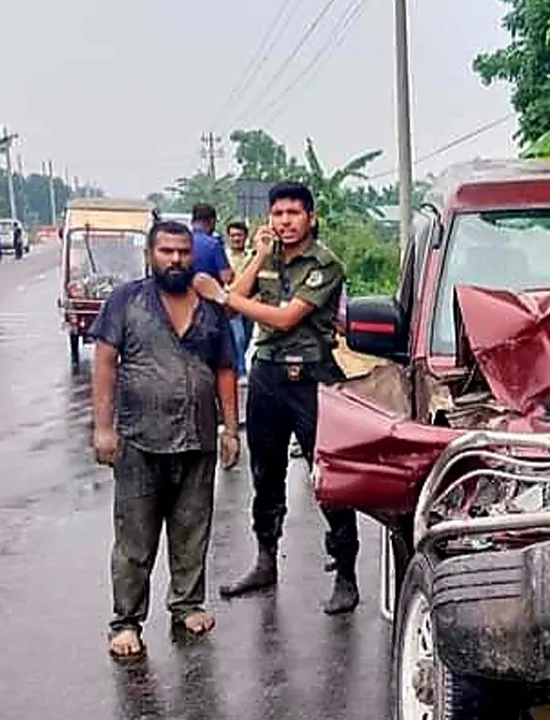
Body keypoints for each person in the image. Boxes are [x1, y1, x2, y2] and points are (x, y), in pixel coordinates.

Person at [191, 181, 360, 615]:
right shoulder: (266, 258)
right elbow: (233, 309)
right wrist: (260, 256)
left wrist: (226, 296)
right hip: (267, 374)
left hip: (310, 376)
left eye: (293, 213)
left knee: (329, 476)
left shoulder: (325, 264)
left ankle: (346, 573)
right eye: (278, 214)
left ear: (311, 217)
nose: (285, 222)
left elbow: (285, 319)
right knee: (266, 473)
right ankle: (266, 560)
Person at [91, 220, 241, 659]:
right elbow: (105, 362)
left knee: (192, 530)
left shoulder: (210, 308)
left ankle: (187, 605)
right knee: (135, 537)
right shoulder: (126, 301)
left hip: (197, 438)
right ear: (150, 255)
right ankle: (126, 622)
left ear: (192, 255)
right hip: (139, 438)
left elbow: (226, 370)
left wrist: (230, 429)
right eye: (166, 251)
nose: (175, 259)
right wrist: (103, 427)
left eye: (183, 252)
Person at [223, 220, 254, 379]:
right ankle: (240, 372)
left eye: (239, 235)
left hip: (249, 303)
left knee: (246, 337)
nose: (236, 239)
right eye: (233, 235)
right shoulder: (223, 256)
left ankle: (237, 365)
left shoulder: (253, 256)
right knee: (238, 337)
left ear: (245, 237)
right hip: (231, 304)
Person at [189, 204, 233, 285]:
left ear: (192, 221)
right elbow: (226, 277)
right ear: (212, 221)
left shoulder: (182, 241)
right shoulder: (214, 244)